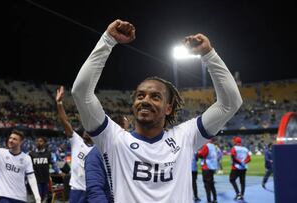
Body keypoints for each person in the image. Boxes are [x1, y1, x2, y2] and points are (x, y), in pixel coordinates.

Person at [71, 19, 242, 202]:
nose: (145, 100)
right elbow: (81, 93)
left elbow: (230, 103)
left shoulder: (185, 137)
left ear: (168, 108)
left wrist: (209, 55)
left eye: (155, 97)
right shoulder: (114, 140)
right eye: (140, 96)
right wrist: (107, 41)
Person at [55, 86, 94, 203]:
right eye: (85, 128)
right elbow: (65, 121)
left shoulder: (100, 147)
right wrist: (59, 103)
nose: (86, 130)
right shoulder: (77, 141)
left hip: (93, 191)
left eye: (90, 128)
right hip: (77, 190)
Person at [85, 115, 129, 202]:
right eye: (127, 129)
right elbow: (95, 190)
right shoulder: (95, 154)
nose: (128, 133)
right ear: (119, 129)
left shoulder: (126, 150)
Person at [29, 135, 62, 202]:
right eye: (37, 141)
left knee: (45, 197)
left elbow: (54, 164)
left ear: (45, 143)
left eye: (41, 141)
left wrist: (60, 172)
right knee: (38, 198)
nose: (38, 142)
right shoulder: (31, 154)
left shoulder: (49, 154)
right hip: (36, 180)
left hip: (46, 180)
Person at [229, 136, 251, 201]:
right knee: (242, 181)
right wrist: (244, 162)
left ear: (235, 141)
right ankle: (242, 195)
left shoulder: (234, 148)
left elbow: (233, 157)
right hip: (244, 167)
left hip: (236, 167)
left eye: (234, 141)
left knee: (232, 179)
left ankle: (238, 193)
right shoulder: (245, 149)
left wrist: (240, 163)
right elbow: (249, 159)